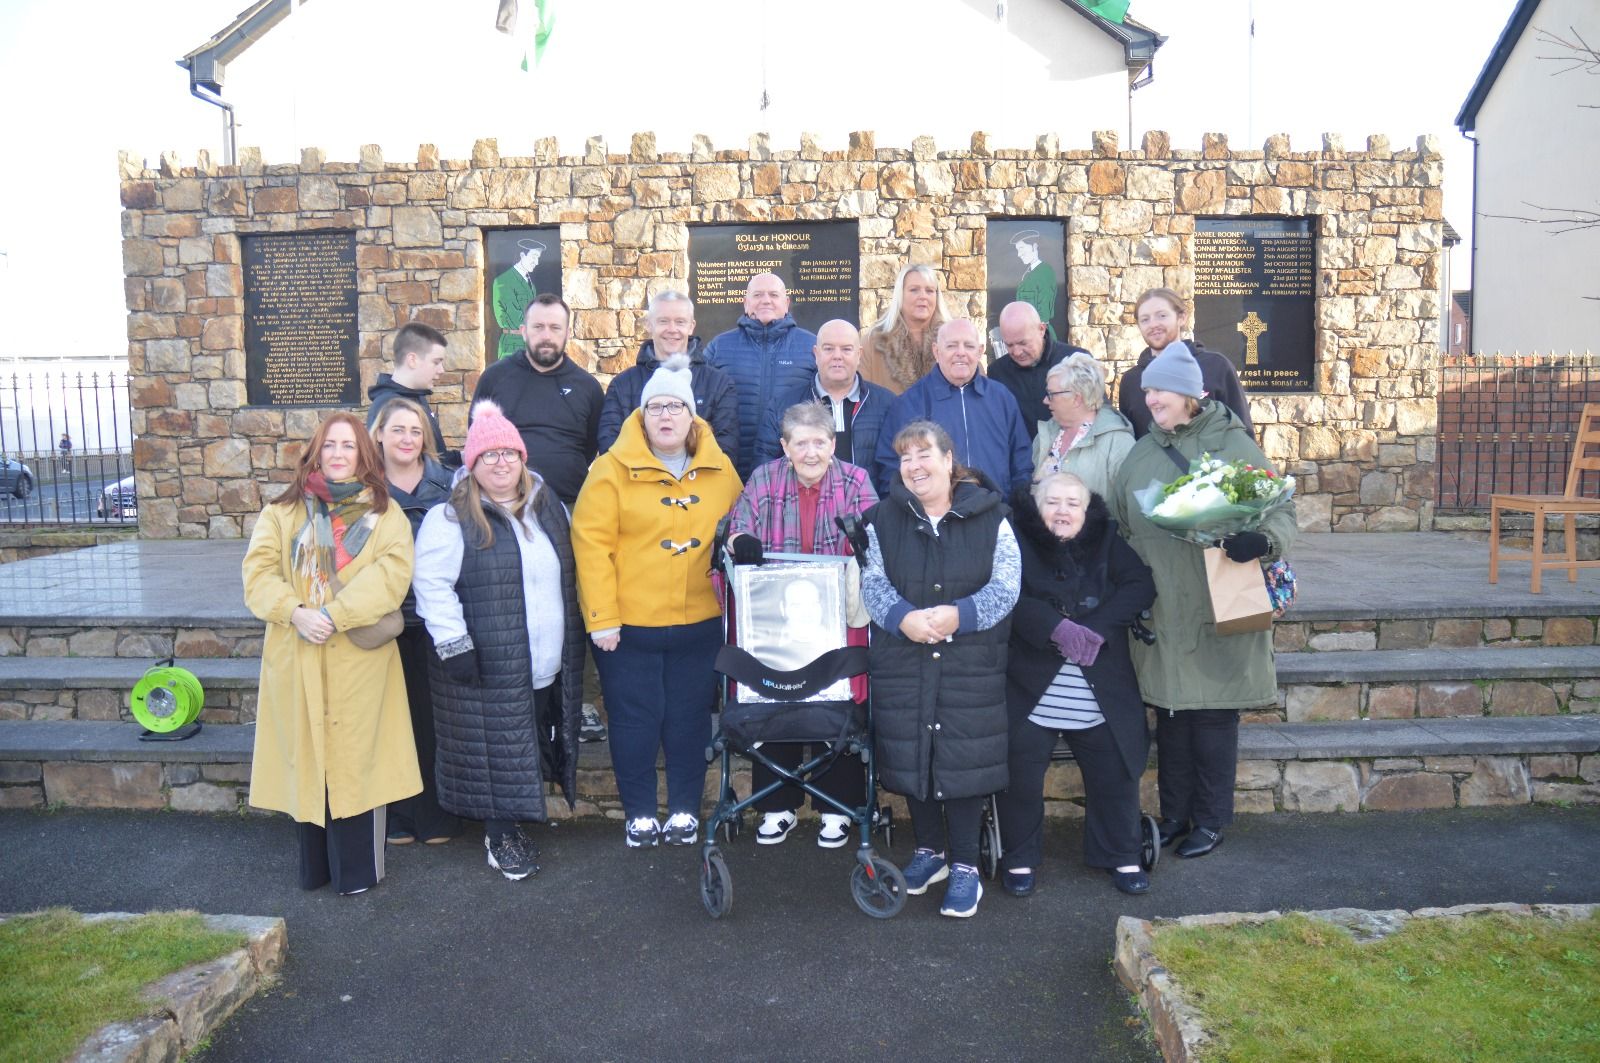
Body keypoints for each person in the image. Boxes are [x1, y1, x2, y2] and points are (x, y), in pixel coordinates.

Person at [1109, 342, 1296, 860]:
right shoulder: (1141, 453)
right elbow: (1122, 527)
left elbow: (1279, 508)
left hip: (1219, 599)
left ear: (1190, 393)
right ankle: (1174, 816)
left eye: (1159, 389)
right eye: (1145, 390)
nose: (1149, 399)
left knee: (1212, 717)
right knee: (1170, 715)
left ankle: (1211, 820)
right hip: (1165, 604)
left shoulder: (1231, 441)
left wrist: (1262, 542)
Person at [242, 412, 419, 896]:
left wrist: (335, 615)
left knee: (356, 764)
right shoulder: (281, 512)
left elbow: (391, 578)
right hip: (298, 652)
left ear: (364, 454)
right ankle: (316, 870)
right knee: (309, 761)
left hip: (356, 662)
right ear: (316, 452)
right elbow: (258, 576)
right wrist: (295, 611)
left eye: (348, 446)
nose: (338, 454)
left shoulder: (386, 515)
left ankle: (358, 873)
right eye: (330, 445)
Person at [573, 354, 742, 848]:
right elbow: (591, 546)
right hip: (629, 628)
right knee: (634, 721)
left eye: (676, 407)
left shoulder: (721, 470)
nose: (666, 416)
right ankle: (641, 812)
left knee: (689, 721)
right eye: (656, 408)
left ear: (693, 416)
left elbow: (738, 530)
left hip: (700, 623)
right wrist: (602, 618)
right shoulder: (609, 470)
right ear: (641, 416)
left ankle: (686, 810)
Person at [412, 401, 584, 881]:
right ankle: (499, 833)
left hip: (545, 655)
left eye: (510, 453)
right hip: (488, 657)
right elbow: (430, 584)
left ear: (523, 458)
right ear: (472, 465)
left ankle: (518, 814)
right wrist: (454, 644)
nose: (502, 462)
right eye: (489, 456)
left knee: (525, 737)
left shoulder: (549, 508)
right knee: (497, 744)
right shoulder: (449, 519)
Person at [861, 420, 1020, 918]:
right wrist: (902, 618)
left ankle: (966, 866)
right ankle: (930, 852)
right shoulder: (880, 519)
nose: (914, 465)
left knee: (963, 759)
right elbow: (872, 582)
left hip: (970, 661)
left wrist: (960, 615)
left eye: (924, 454)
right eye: (905, 457)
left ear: (949, 460)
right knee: (915, 755)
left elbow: (1006, 585)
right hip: (904, 657)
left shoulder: (993, 517)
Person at [725, 400, 878, 848]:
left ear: (833, 444)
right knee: (776, 693)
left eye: (819, 442)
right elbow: (737, 528)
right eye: (800, 443)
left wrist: (860, 540)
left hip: (837, 612)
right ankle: (777, 805)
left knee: (836, 698)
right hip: (777, 611)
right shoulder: (764, 478)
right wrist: (741, 541)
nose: (811, 451)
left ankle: (838, 807)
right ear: (785, 446)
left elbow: (875, 537)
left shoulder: (857, 480)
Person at [999, 472, 1156, 897]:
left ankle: (1121, 853)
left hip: (1099, 688)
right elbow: (1001, 593)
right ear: (1036, 506)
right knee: (1018, 767)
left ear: (1086, 512)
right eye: (1053, 502)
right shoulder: (1012, 539)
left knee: (1117, 764)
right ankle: (1019, 858)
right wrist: (1052, 627)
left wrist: (1094, 629)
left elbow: (1141, 584)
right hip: (1030, 689)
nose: (1063, 511)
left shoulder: (1106, 539)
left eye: (1073, 503)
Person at [370, 399, 460, 847]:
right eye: (398, 430)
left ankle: (437, 812)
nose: (407, 439)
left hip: (434, 620)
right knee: (392, 722)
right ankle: (399, 814)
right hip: (384, 621)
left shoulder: (448, 485)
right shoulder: (363, 488)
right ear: (380, 434)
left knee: (433, 722)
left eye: (415, 431)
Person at [873, 319, 1032, 498]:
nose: (961, 353)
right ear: (936, 351)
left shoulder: (1002, 399)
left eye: (969, 346)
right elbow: (891, 469)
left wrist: (1015, 510)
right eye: (951, 346)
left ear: (980, 352)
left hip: (997, 514)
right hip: (935, 519)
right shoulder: (910, 403)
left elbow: (1022, 462)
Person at [470, 293, 603, 507]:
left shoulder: (588, 387)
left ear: (568, 333)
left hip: (569, 504)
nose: (546, 336)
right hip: (505, 505)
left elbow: (591, 447)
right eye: (538, 327)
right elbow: (477, 440)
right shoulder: (494, 379)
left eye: (555, 327)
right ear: (524, 332)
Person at [598, 290, 738, 458]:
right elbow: (610, 447)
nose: (672, 329)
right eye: (663, 321)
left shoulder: (719, 384)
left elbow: (725, 450)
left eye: (680, 322)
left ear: (691, 326)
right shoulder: (622, 385)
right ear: (649, 325)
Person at [704, 272, 817, 480]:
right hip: (728, 470)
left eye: (774, 294)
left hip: (793, 474)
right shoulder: (718, 348)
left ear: (787, 302)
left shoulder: (812, 347)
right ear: (746, 303)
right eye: (758, 295)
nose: (766, 300)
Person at [754, 319, 891, 470]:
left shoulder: (886, 404)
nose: (837, 356)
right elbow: (764, 473)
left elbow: (892, 470)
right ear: (816, 354)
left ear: (859, 355)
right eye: (828, 349)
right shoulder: (782, 407)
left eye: (846, 349)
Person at [1116, 288, 1251, 439]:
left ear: (1181, 317)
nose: (1153, 324)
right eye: (1145, 319)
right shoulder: (1131, 381)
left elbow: (1243, 432)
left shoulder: (1217, 367)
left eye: (1162, 315)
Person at [1033, 353, 1135, 500]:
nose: (1045, 401)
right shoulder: (1046, 434)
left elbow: (1129, 503)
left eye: (1051, 394)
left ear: (1076, 398)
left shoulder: (1118, 442)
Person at [988, 301, 1090, 443]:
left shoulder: (1076, 361)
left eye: (1023, 343)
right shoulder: (997, 372)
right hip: (1020, 461)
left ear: (1041, 329)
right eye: (1009, 345)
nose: (1016, 352)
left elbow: (1099, 412)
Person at [366, 322, 458, 467]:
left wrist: (464, 458)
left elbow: (434, 458)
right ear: (412, 360)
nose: (441, 370)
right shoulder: (388, 406)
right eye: (436, 362)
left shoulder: (417, 397)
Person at [860, 264, 948, 394]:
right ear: (900, 295)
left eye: (929, 291)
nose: (923, 296)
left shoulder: (954, 341)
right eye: (914, 290)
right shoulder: (872, 342)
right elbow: (860, 397)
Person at [492, 239, 543, 360]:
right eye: (534, 257)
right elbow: (515, 319)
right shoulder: (504, 281)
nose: (537, 262)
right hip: (512, 346)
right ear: (522, 255)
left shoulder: (529, 282)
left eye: (538, 258)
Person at [1011, 231, 1058, 338]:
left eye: (1021, 249)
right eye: (1017, 250)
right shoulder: (1028, 274)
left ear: (1034, 246)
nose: (1019, 254)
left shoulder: (1045, 272)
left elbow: (1043, 315)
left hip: (1041, 337)